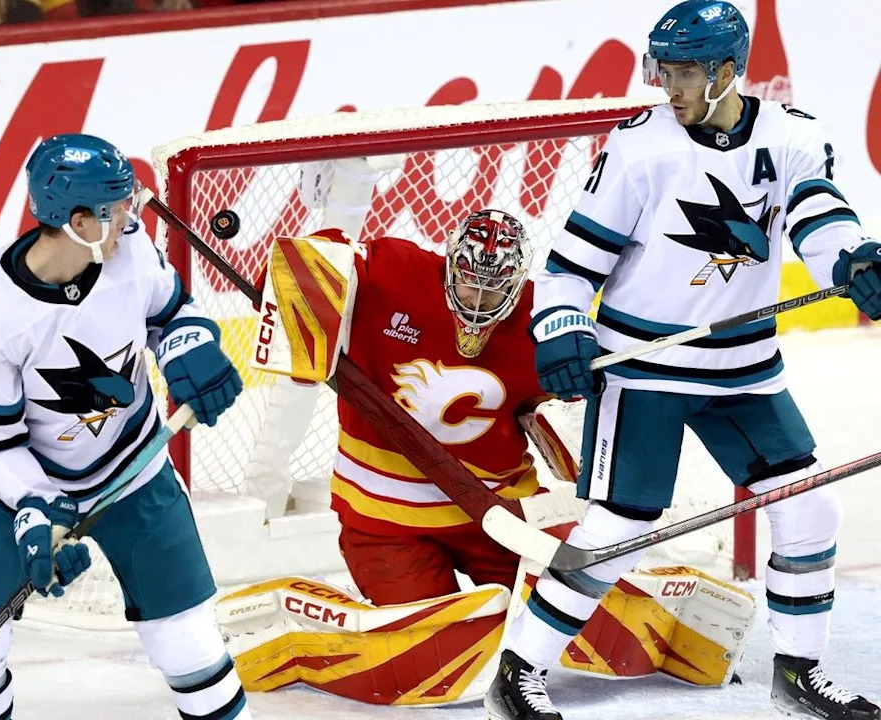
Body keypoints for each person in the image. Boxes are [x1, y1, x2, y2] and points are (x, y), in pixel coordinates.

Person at [485, 2, 881, 719]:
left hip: (743, 367)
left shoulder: (794, 136)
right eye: (663, 69)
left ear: (730, 71)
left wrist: (851, 261)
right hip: (644, 368)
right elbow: (569, 267)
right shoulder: (641, 150)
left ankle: (797, 673)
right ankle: (517, 672)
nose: (669, 85)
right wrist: (564, 326)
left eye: (687, 71)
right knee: (619, 529)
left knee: (810, 508)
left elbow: (817, 216)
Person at [0, 133, 251, 719]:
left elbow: (173, 312)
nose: (131, 215)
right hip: (20, 488)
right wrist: (34, 509)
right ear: (78, 220)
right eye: (115, 207)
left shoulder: (128, 248)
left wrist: (191, 345)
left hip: (133, 470)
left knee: (191, 647)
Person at [327, 207, 546, 604]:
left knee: (561, 612)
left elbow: (573, 422)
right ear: (450, 266)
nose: (479, 300)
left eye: (494, 289)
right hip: (385, 518)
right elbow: (320, 255)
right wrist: (298, 283)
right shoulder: (392, 271)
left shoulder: (542, 316)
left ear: (516, 283)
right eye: (469, 284)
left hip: (501, 512)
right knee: (436, 640)